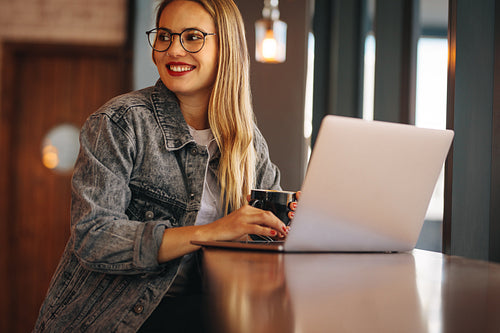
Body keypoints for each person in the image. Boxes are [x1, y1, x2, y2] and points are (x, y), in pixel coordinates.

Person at [34, 0, 296, 331]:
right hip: (114, 319)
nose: (173, 49)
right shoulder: (120, 123)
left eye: (192, 37)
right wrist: (211, 232)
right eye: (164, 36)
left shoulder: (247, 142)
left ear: (226, 46)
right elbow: (93, 237)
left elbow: (266, 233)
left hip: (206, 312)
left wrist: (290, 221)